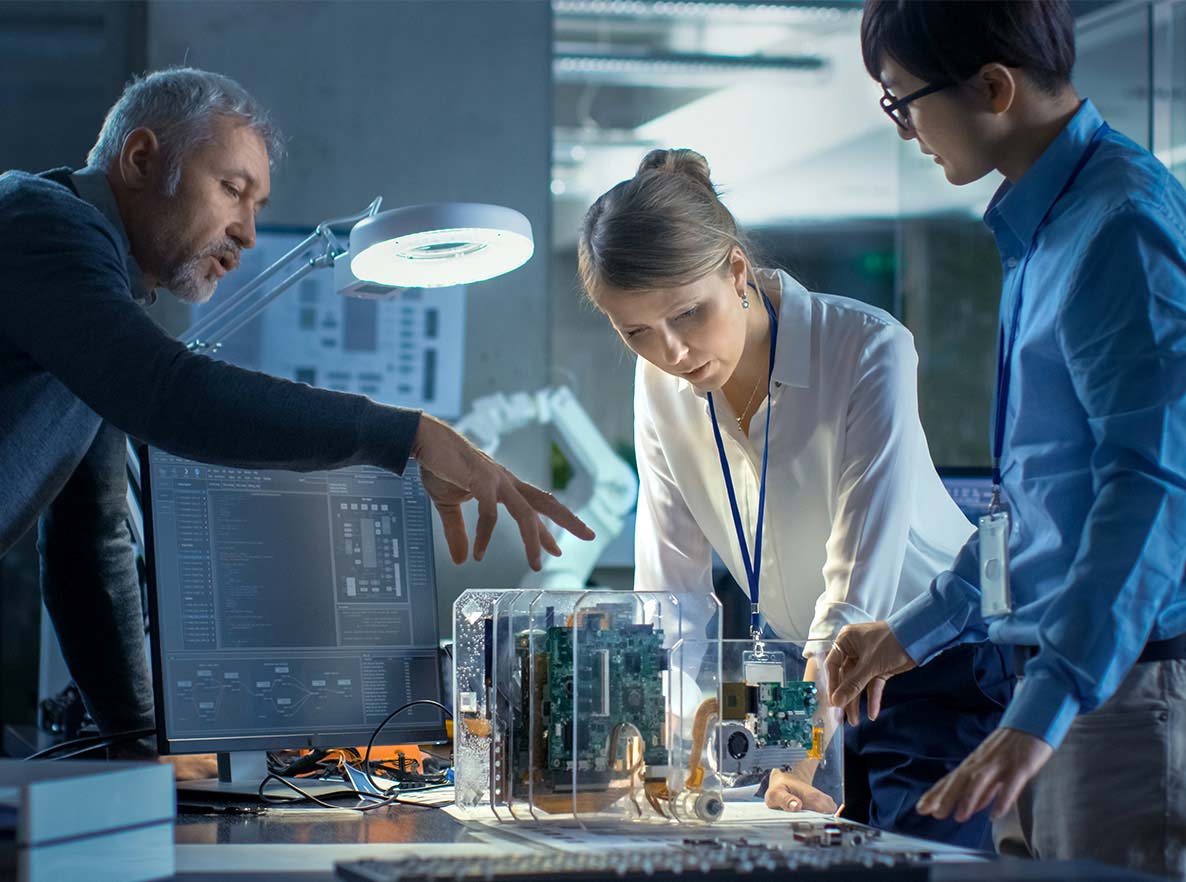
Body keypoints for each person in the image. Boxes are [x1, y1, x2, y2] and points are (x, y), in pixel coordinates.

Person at [0, 67, 593, 760]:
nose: (248, 234)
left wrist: (144, 751)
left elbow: (90, 543)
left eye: (258, 204)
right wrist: (408, 434)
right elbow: (166, 392)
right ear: (139, 160)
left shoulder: (93, 302)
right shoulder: (41, 225)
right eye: (232, 190)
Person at [824, 1, 1186, 875]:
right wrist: (914, 630)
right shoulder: (1045, 228)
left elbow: (1153, 490)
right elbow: (1036, 508)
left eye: (901, 101)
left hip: (1117, 690)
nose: (906, 130)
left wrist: (1045, 706)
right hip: (1056, 684)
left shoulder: (1120, 226)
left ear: (993, 87)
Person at [577, 148, 1012, 848]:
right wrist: (661, 749)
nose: (673, 353)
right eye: (636, 332)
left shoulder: (866, 347)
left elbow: (853, 595)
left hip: (926, 656)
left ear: (737, 273)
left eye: (690, 314)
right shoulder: (657, 384)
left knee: (920, 863)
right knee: (793, 851)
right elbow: (669, 595)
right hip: (796, 669)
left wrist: (802, 755)